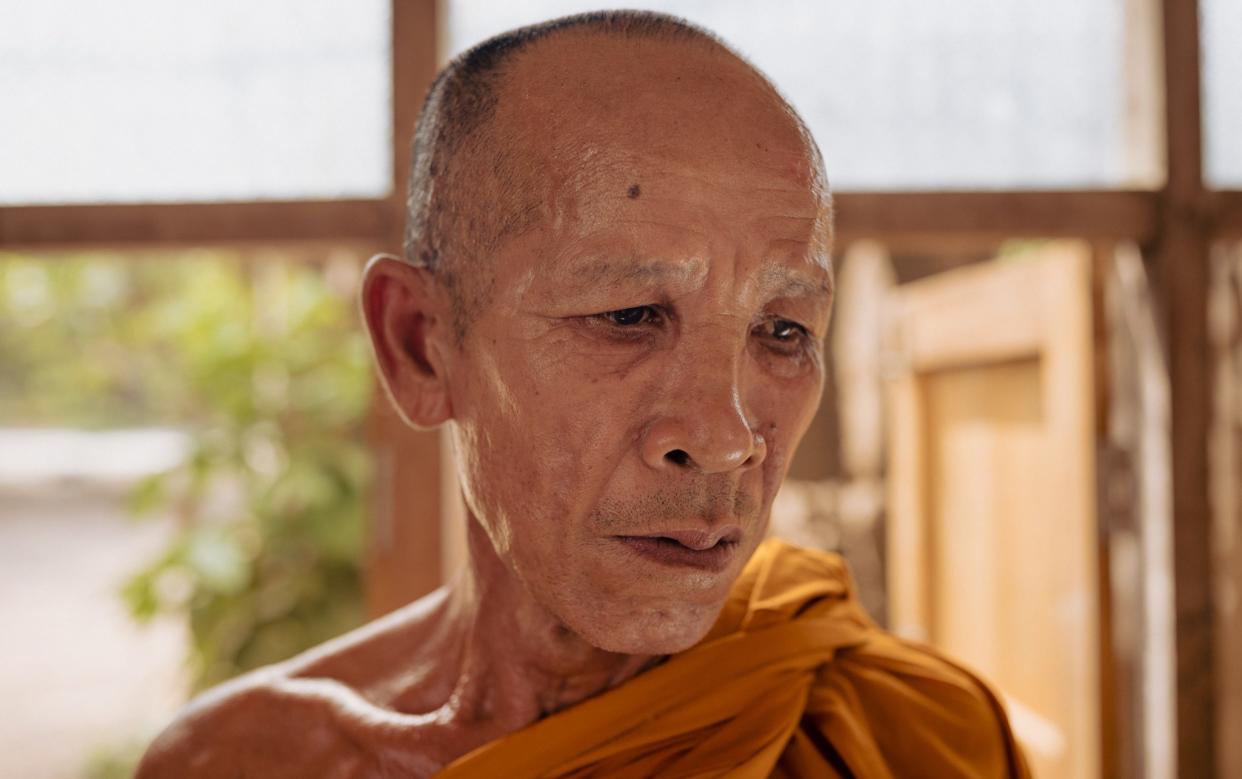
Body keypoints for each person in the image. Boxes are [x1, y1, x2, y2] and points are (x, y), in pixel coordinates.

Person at [137, 11, 1029, 778]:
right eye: (631, 314)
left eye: (784, 330)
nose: (725, 438)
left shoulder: (912, 735)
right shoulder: (244, 760)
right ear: (420, 344)